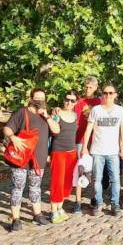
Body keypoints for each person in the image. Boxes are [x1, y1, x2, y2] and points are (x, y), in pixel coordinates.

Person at [4, 88, 60, 231]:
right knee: (17, 188)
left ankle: (37, 214)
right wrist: (13, 137)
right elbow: (7, 128)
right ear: (30, 99)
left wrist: (47, 116)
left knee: (36, 188)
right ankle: (16, 219)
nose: (40, 101)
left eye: (42, 99)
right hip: (21, 159)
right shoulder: (22, 112)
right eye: (37, 99)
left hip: (38, 159)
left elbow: (56, 130)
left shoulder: (46, 115)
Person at [81, 84, 123, 216]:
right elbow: (88, 129)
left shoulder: (120, 110)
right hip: (97, 151)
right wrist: (84, 147)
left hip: (113, 151)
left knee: (115, 179)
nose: (108, 95)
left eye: (111, 93)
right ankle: (99, 203)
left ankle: (115, 204)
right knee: (97, 179)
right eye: (105, 93)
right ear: (102, 95)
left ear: (115, 95)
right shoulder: (96, 110)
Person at [72, 76, 102, 213]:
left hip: (95, 141)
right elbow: (73, 119)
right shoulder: (79, 102)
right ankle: (77, 201)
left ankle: (93, 198)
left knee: (94, 172)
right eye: (86, 86)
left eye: (90, 87)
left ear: (95, 88)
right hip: (80, 140)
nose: (87, 89)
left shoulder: (99, 102)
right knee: (80, 169)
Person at [49, 90, 78, 224]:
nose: (69, 102)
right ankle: (53, 210)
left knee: (67, 182)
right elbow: (53, 131)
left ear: (75, 102)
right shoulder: (56, 113)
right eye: (67, 99)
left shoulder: (75, 115)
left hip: (72, 153)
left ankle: (60, 207)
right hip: (59, 152)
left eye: (72, 100)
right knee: (57, 181)